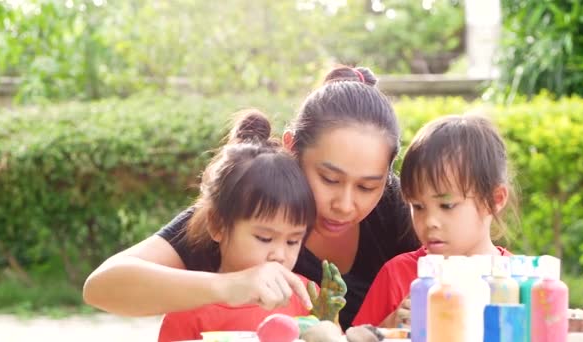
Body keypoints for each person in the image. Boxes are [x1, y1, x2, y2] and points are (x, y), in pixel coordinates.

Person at [83, 65, 420, 330]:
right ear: (291, 147)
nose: (346, 204)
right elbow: (102, 286)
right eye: (329, 178)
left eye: (366, 187)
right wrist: (230, 286)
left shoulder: (395, 208)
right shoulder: (250, 201)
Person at [156, 110, 317, 341]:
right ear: (217, 225)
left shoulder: (307, 298)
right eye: (264, 238)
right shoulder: (188, 308)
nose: (280, 255)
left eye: (293, 241)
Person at [353, 114, 518, 327]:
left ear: (494, 200)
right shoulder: (398, 274)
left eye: (447, 206)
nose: (430, 221)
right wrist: (390, 326)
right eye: (418, 206)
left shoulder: (518, 282)